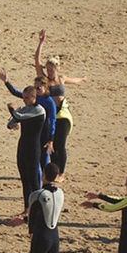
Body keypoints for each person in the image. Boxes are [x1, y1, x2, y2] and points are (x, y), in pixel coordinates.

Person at [34, 29, 85, 182]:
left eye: (51, 70)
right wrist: (41, 42)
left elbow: (73, 80)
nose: (49, 72)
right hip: (50, 115)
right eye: (48, 69)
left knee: (60, 144)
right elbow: (37, 62)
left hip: (62, 115)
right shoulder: (44, 79)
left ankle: (61, 173)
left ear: (57, 69)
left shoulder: (61, 78)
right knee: (51, 144)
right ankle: (52, 172)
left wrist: (82, 79)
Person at [0, 68, 56, 172]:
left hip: (44, 133)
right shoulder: (32, 97)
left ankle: (45, 180)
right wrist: (6, 82)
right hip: (34, 133)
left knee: (44, 160)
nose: (36, 90)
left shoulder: (49, 102)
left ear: (45, 87)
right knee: (34, 160)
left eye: (38, 88)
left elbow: (52, 121)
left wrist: (51, 139)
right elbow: (16, 93)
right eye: (35, 87)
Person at [7, 86, 46, 212]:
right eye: (23, 98)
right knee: (25, 180)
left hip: (34, 148)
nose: (24, 100)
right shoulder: (24, 109)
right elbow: (11, 121)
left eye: (27, 98)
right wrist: (12, 124)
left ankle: (38, 209)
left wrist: (11, 109)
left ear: (34, 97)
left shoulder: (39, 110)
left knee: (34, 180)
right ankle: (27, 209)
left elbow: (18, 116)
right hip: (23, 147)